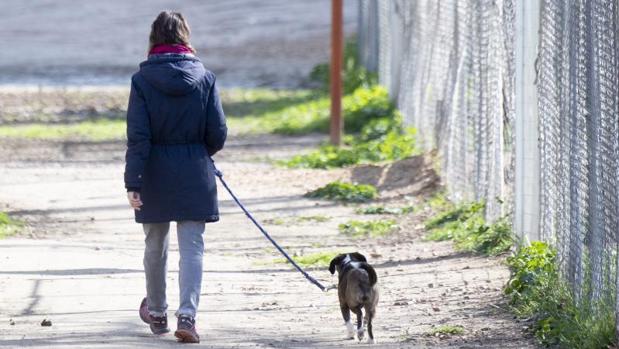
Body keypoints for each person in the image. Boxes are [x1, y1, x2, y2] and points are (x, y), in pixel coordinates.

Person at [124, 11, 227, 343]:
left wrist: (133, 181)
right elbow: (218, 133)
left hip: (154, 171)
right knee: (193, 247)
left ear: (153, 39)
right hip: (195, 170)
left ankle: (156, 311)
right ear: (185, 37)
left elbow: (138, 137)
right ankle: (188, 315)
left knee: (155, 244)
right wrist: (198, 154)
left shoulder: (141, 81)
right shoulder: (206, 78)